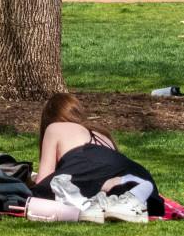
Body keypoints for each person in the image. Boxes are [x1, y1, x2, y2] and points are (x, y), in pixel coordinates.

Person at [31, 93, 164, 221]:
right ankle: (123, 202)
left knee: (40, 193)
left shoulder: (55, 128)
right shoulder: (102, 134)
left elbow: (43, 181)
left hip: (89, 170)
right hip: (140, 178)